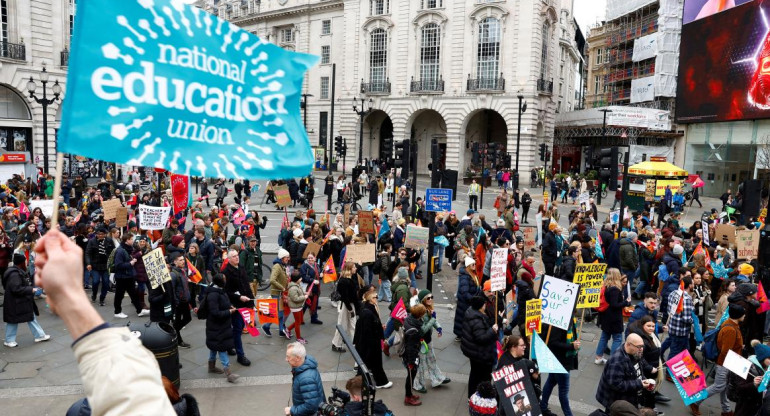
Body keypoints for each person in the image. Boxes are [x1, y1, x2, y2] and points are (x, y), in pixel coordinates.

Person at [33, 229, 177, 415]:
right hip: (121, 277)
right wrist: (70, 297)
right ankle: (118, 309)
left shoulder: (81, 410)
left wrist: (68, 298)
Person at [689, 303, 745, 416]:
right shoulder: (730, 329)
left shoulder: (731, 324)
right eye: (743, 314)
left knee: (724, 386)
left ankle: (726, 410)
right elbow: (725, 351)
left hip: (727, 362)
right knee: (719, 386)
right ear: (739, 315)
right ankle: (695, 401)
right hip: (725, 362)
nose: (745, 316)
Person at [595, 333, 657, 412]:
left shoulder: (635, 353)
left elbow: (638, 371)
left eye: (642, 346)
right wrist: (639, 384)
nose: (642, 349)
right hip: (617, 402)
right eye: (639, 347)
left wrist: (644, 380)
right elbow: (616, 385)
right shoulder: (617, 361)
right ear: (628, 345)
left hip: (629, 398)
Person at [3, 253, 50, 347]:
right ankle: (9, 340)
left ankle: (39, 335)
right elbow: (16, 288)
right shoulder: (15, 274)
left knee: (28, 317)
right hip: (16, 302)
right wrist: (31, 289)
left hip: (17, 301)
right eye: (25, 261)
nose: (26, 262)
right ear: (21, 263)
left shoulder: (14, 272)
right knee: (15, 320)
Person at [200, 273, 239, 383]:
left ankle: (211, 367)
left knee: (214, 347)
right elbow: (215, 312)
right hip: (217, 327)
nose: (226, 280)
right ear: (220, 281)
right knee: (222, 348)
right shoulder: (214, 295)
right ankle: (228, 373)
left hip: (219, 326)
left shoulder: (219, 291)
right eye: (224, 279)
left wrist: (229, 306)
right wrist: (229, 311)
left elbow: (224, 303)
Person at [412, 289, 449, 393]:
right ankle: (418, 385)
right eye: (428, 298)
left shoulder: (428, 307)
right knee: (421, 365)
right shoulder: (421, 310)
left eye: (431, 297)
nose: (430, 299)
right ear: (423, 299)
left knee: (432, 360)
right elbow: (423, 329)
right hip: (421, 342)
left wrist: (438, 327)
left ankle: (437, 379)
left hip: (428, 340)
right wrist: (433, 318)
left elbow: (433, 321)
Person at [462, 296, 499, 398]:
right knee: (482, 377)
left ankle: (472, 396)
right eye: (484, 304)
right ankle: (480, 398)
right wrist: (492, 330)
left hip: (474, 352)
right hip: (480, 354)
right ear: (480, 306)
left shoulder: (471, 312)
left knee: (474, 374)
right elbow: (481, 338)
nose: (485, 305)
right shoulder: (477, 319)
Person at [353, 289, 391, 388]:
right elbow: (367, 330)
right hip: (371, 342)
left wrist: (379, 326)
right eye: (375, 297)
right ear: (370, 299)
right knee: (375, 363)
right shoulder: (367, 312)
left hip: (368, 342)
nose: (377, 299)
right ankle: (381, 382)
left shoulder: (367, 308)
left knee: (368, 363)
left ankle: (361, 381)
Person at [223, 249, 254, 366]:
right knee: (237, 329)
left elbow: (246, 285)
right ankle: (240, 356)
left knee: (239, 328)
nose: (237, 257)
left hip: (246, 303)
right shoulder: (226, 272)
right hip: (235, 305)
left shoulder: (241, 267)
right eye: (234, 256)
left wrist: (251, 302)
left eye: (237, 255)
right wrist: (239, 297)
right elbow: (226, 291)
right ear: (229, 259)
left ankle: (229, 345)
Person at [627, 316, 664, 410]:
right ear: (642, 325)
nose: (651, 328)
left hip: (652, 367)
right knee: (647, 391)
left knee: (648, 391)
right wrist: (649, 368)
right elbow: (640, 358)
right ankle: (648, 409)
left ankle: (649, 408)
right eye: (649, 326)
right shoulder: (642, 340)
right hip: (646, 371)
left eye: (653, 326)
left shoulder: (651, 335)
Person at [596, 269, 630, 364]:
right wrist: (625, 303)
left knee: (604, 336)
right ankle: (612, 360)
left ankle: (598, 356)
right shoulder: (615, 289)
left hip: (606, 315)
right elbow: (614, 304)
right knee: (617, 338)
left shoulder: (607, 286)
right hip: (614, 317)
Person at [112, 233, 148, 319]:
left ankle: (139, 310)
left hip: (129, 276)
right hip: (121, 277)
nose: (133, 241)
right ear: (127, 240)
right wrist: (130, 263)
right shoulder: (120, 251)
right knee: (119, 295)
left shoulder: (129, 249)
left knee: (134, 294)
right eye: (131, 239)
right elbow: (118, 265)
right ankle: (117, 312)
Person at [284, 342, 325, 416]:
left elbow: (311, 406)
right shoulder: (305, 365)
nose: (286, 359)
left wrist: (292, 410)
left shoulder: (306, 378)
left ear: (297, 358)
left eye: (288, 357)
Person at [263, 249, 290, 340]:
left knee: (281, 312)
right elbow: (272, 280)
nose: (288, 259)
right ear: (282, 258)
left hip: (280, 293)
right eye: (286, 257)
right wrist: (282, 287)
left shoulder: (282, 265)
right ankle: (266, 326)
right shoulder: (277, 266)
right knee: (278, 313)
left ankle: (281, 330)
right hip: (276, 293)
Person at [403, 303, 426, 406]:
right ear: (420, 314)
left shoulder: (409, 319)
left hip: (409, 354)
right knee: (411, 376)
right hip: (410, 356)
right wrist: (411, 361)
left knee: (411, 376)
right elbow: (410, 347)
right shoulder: (414, 330)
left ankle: (410, 394)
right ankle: (408, 397)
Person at [85, 226, 115, 306]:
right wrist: (88, 263)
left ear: (105, 234)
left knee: (105, 283)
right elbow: (87, 253)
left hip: (106, 265)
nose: (100, 236)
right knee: (95, 281)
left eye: (102, 234)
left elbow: (113, 251)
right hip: (95, 265)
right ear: (96, 234)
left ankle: (102, 298)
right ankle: (94, 294)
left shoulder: (109, 241)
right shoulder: (92, 241)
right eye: (99, 234)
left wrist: (113, 262)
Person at [454, 257, 481, 342]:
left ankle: (463, 335)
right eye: (473, 264)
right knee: (463, 319)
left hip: (469, 303)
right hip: (465, 304)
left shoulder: (472, 274)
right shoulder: (465, 277)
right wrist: (473, 300)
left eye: (475, 264)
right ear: (468, 265)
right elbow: (464, 292)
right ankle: (460, 335)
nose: (474, 266)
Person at [667, 277, 694, 360]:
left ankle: (683, 370)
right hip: (681, 332)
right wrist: (694, 321)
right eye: (692, 283)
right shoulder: (687, 298)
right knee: (675, 354)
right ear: (689, 285)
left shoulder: (673, 293)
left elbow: (669, 311)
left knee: (684, 352)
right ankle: (669, 371)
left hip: (672, 329)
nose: (694, 285)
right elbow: (686, 319)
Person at [285, 271, 308, 344]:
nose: (301, 279)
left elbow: (300, 291)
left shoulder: (297, 285)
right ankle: (298, 338)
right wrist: (304, 297)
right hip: (295, 307)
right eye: (300, 278)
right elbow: (295, 299)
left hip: (299, 306)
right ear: (297, 279)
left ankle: (287, 329)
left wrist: (305, 293)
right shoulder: (293, 288)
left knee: (300, 320)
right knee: (298, 322)